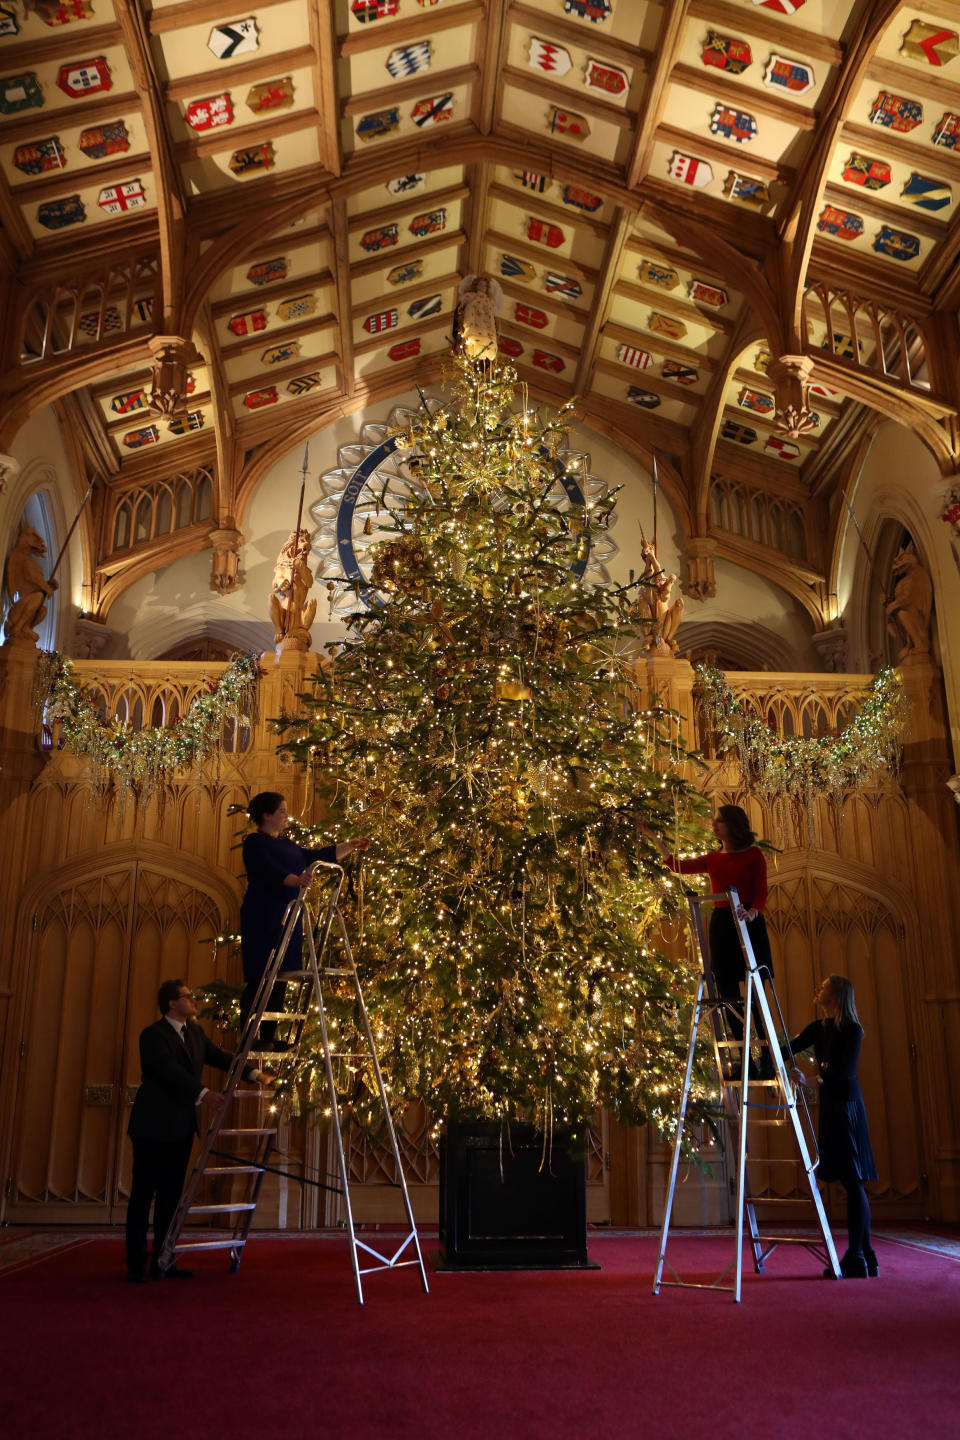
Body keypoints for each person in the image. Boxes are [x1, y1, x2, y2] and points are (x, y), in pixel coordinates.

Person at [125, 978, 272, 1283]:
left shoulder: (195, 1033)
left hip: (180, 1127)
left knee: (171, 1198)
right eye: (187, 997)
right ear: (171, 1004)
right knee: (142, 1196)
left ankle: (164, 1259)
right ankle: (136, 1263)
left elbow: (221, 1058)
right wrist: (205, 1095)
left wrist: (256, 1074)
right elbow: (169, 1072)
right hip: (152, 1127)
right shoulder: (152, 1036)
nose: (193, 1000)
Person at [650, 805, 773, 1076]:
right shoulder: (714, 859)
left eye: (719, 821)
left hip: (749, 925)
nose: (714, 825)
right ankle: (746, 1059)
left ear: (733, 824)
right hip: (723, 927)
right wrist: (655, 839)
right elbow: (677, 866)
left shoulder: (754, 855)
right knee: (729, 995)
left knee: (756, 994)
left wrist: (753, 912)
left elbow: (761, 891)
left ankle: (767, 1057)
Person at [240, 792, 370, 1032]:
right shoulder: (254, 842)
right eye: (281, 811)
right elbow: (266, 869)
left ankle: (269, 1035)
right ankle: (250, 1034)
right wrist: (295, 880)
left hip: (287, 916)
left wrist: (349, 846)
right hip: (263, 915)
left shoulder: (286, 844)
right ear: (267, 815)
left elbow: (314, 856)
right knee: (261, 977)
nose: (286, 816)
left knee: (280, 979)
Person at [789, 974, 879, 1279]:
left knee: (853, 1182)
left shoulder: (853, 1031)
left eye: (824, 988)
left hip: (848, 1109)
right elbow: (792, 1045)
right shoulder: (820, 1028)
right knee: (851, 1183)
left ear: (837, 996)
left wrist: (809, 1080)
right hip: (831, 1107)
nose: (819, 990)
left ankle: (857, 1256)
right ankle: (865, 1256)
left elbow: (844, 1073)